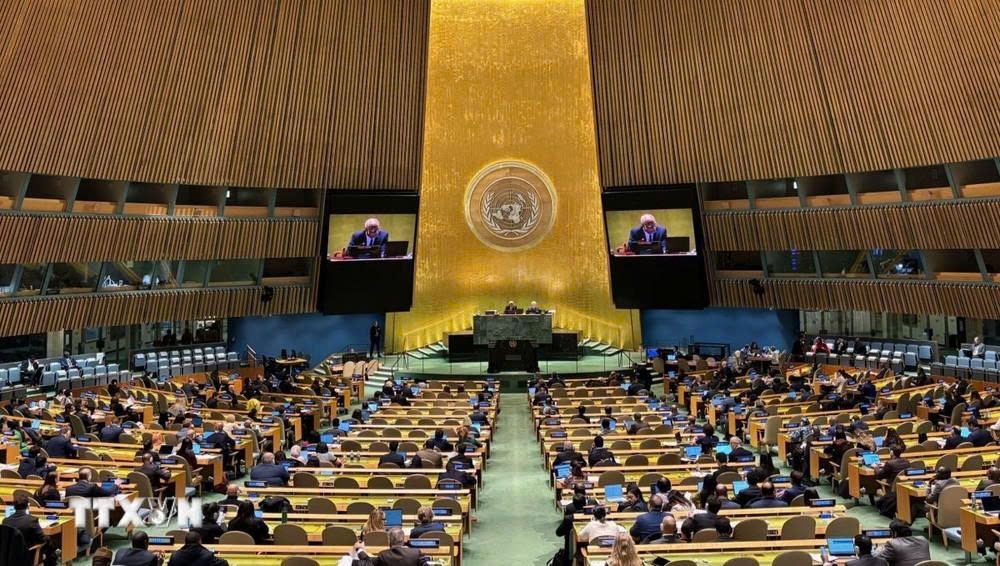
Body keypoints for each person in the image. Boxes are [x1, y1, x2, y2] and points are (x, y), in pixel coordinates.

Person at [3, 494, 56, 566]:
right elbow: (42, 539)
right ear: (28, 505)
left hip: (8, 557)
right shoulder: (31, 520)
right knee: (48, 542)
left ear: (14, 506)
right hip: (27, 557)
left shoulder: (5, 521)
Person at [350, 527, 422, 566]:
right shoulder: (416, 553)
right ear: (403, 540)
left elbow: (368, 562)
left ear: (389, 541)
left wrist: (359, 550)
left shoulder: (383, 555)